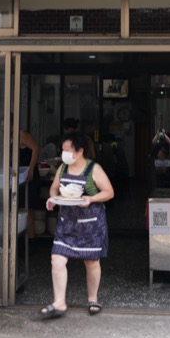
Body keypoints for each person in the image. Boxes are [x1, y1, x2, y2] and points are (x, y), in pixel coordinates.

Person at [38, 131, 114, 319]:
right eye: (63, 149)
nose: (64, 153)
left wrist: (91, 198)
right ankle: (59, 302)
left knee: (91, 261)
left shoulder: (93, 169)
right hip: (67, 223)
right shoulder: (62, 168)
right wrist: (53, 200)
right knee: (57, 259)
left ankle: (92, 298)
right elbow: (54, 188)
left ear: (80, 151)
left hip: (91, 223)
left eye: (67, 150)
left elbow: (109, 192)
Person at [18, 128, 41, 238]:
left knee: (25, 207)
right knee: (25, 208)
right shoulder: (9, 137)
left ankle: (30, 241)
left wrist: (31, 169)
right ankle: (29, 240)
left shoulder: (22, 134)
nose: (3, 128)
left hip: (28, 175)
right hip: (20, 175)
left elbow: (36, 148)